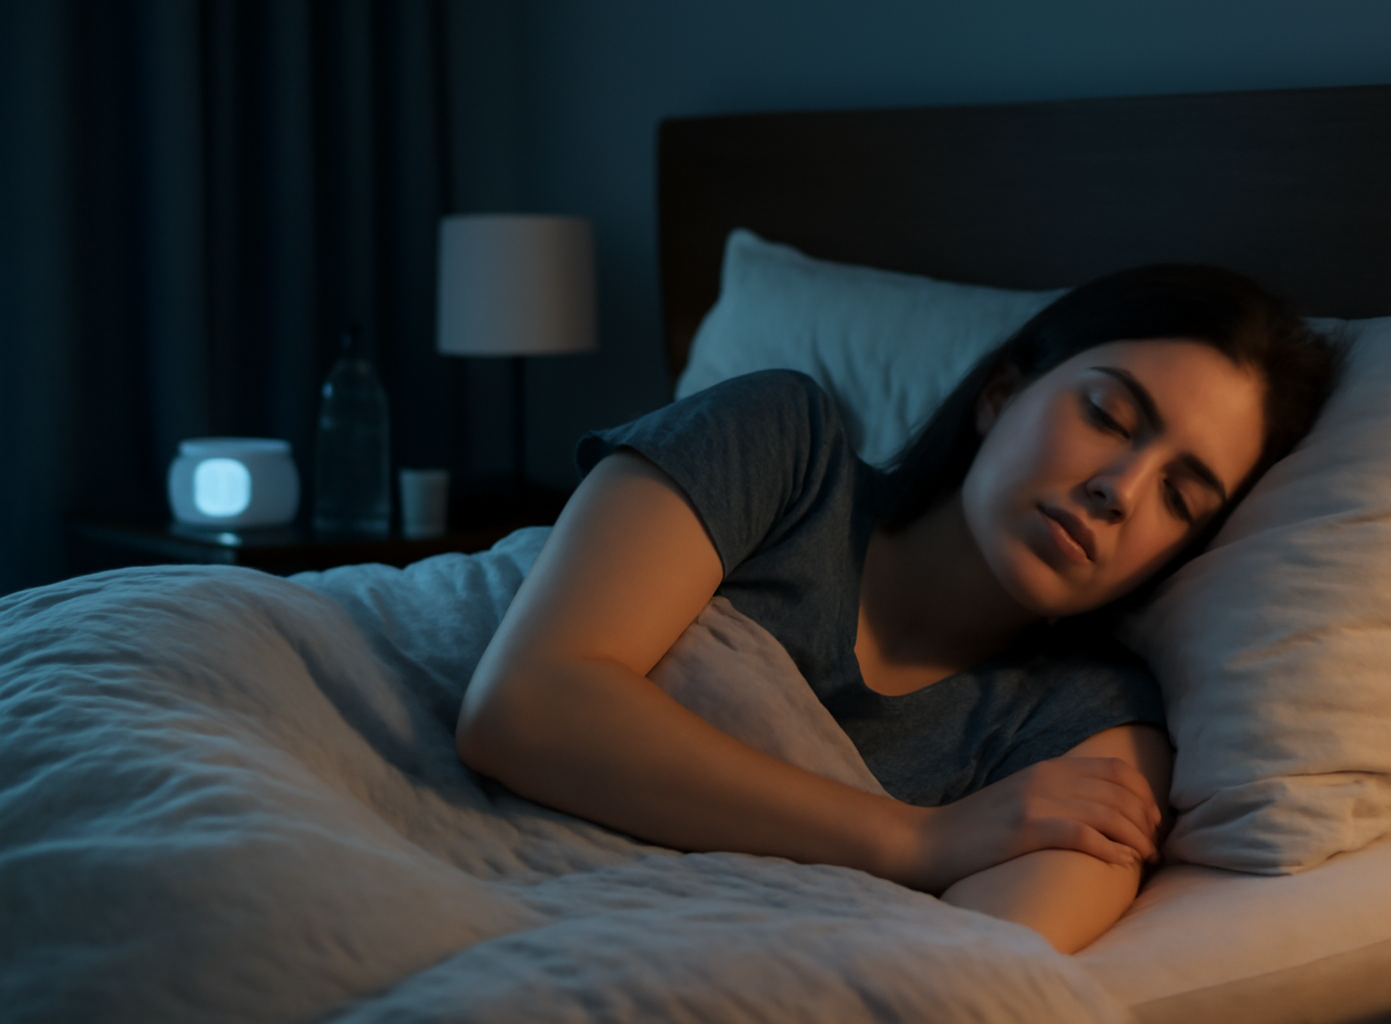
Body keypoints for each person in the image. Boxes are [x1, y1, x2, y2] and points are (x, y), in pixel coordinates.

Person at [456, 264, 1341, 954]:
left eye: (1181, 499)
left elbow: (964, 971)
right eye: (1109, 414)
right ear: (1002, 393)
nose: (1120, 491)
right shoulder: (781, 450)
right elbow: (524, 706)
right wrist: (918, 840)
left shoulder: (1086, 724)